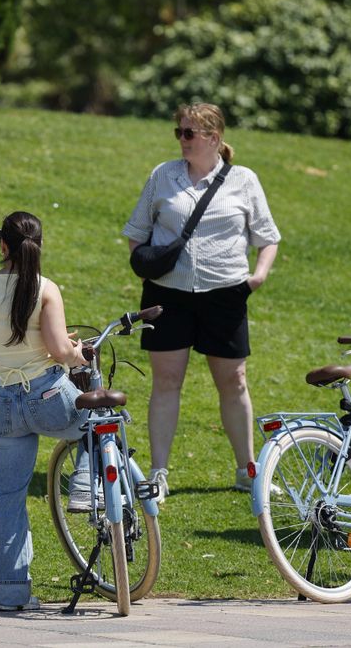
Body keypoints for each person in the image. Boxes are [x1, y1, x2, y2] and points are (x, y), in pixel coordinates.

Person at [122, 102, 281, 502]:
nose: (182, 140)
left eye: (189, 133)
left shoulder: (243, 180)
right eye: (179, 131)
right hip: (167, 295)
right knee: (167, 381)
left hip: (225, 294)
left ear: (214, 137)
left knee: (234, 381)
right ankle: (159, 473)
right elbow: (138, 230)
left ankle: (247, 470)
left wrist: (258, 276)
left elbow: (267, 235)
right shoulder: (163, 175)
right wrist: (145, 266)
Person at [0, 211, 89, 612]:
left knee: (8, 496)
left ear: (2, 245)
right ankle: (86, 484)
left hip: (4, 402)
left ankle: (7, 591)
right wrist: (76, 354)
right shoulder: (45, 288)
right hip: (47, 397)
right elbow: (58, 351)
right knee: (100, 420)